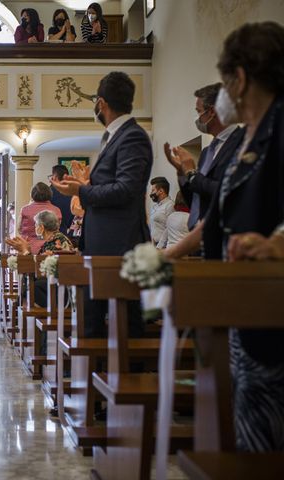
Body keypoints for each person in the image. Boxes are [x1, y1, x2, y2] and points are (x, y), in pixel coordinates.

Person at [165, 22, 284, 452]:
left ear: (241, 79)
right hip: (244, 303)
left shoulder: (279, 126)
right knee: (248, 431)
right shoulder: (249, 137)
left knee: (267, 442)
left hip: (272, 305)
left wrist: (275, 243)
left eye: (224, 86)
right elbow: (213, 219)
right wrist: (167, 256)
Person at [51, 71, 152, 338]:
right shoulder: (114, 137)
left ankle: (127, 377)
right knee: (92, 321)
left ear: (102, 103)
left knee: (125, 326)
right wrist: (85, 185)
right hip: (104, 245)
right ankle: (94, 375)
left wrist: (82, 190)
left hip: (119, 245)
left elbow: (126, 190)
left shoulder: (132, 136)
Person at [164, 82, 243, 231]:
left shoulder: (242, 142)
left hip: (226, 233)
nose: (197, 118)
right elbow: (196, 200)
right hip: (198, 235)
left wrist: (192, 174)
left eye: (198, 111)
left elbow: (230, 191)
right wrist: (182, 173)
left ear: (211, 112)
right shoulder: (207, 151)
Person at [7, 210, 74, 307]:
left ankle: (35, 311)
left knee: (33, 287)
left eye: (36, 225)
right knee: (30, 285)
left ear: (42, 227)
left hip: (63, 289)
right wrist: (27, 251)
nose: (35, 228)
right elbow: (39, 264)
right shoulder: (54, 239)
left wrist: (26, 251)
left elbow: (40, 270)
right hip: (57, 285)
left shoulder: (56, 241)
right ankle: (21, 307)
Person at [18, 182, 62, 255]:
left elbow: (19, 229)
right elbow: (56, 231)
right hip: (50, 250)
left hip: (29, 249)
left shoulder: (25, 210)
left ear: (32, 195)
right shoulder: (56, 210)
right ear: (50, 193)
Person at [149, 176, 174, 246]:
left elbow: (169, 228)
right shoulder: (154, 207)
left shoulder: (170, 205)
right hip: (153, 244)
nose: (151, 193)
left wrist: (160, 246)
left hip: (164, 246)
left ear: (161, 191)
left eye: (153, 190)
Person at [49, 165, 73, 234]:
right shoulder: (73, 192)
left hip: (51, 233)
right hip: (68, 232)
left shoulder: (49, 192)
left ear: (55, 177)